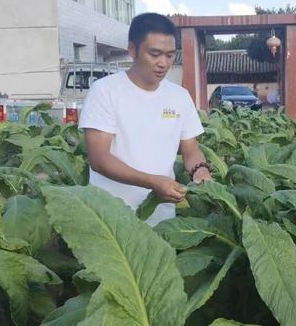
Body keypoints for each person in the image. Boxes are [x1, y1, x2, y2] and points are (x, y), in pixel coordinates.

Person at [79, 12, 212, 225]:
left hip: (161, 217)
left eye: (170, 55)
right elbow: (99, 159)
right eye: (155, 53)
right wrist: (152, 182)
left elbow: (191, 149)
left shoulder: (179, 96)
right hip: (110, 219)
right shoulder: (105, 91)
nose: (163, 63)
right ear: (132, 50)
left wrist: (200, 170)